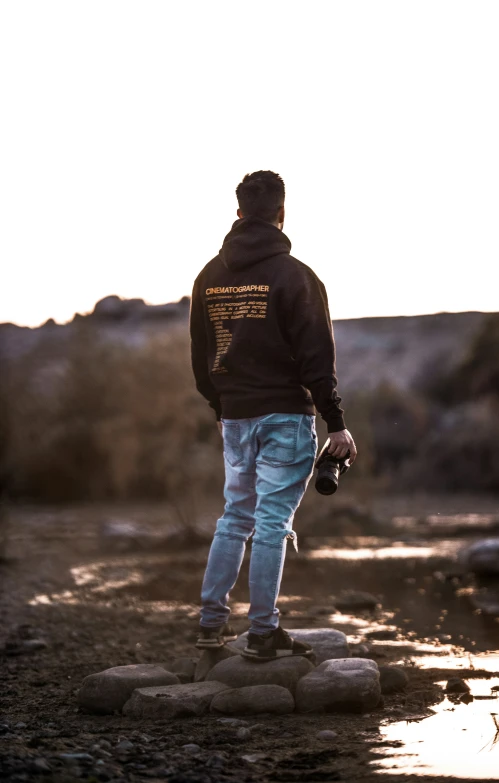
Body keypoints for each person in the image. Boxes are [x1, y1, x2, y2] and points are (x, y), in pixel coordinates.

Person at [190, 170, 356, 660]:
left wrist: (220, 407)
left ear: (239, 214)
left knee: (234, 517)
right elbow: (317, 359)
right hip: (285, 416)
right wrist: (337, 423)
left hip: (236, 418)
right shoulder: (297, 277)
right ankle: (262, 632)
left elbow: (201, 356)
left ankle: (209, 624)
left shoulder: (208, 276)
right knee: (272, 522)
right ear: (282, 213)